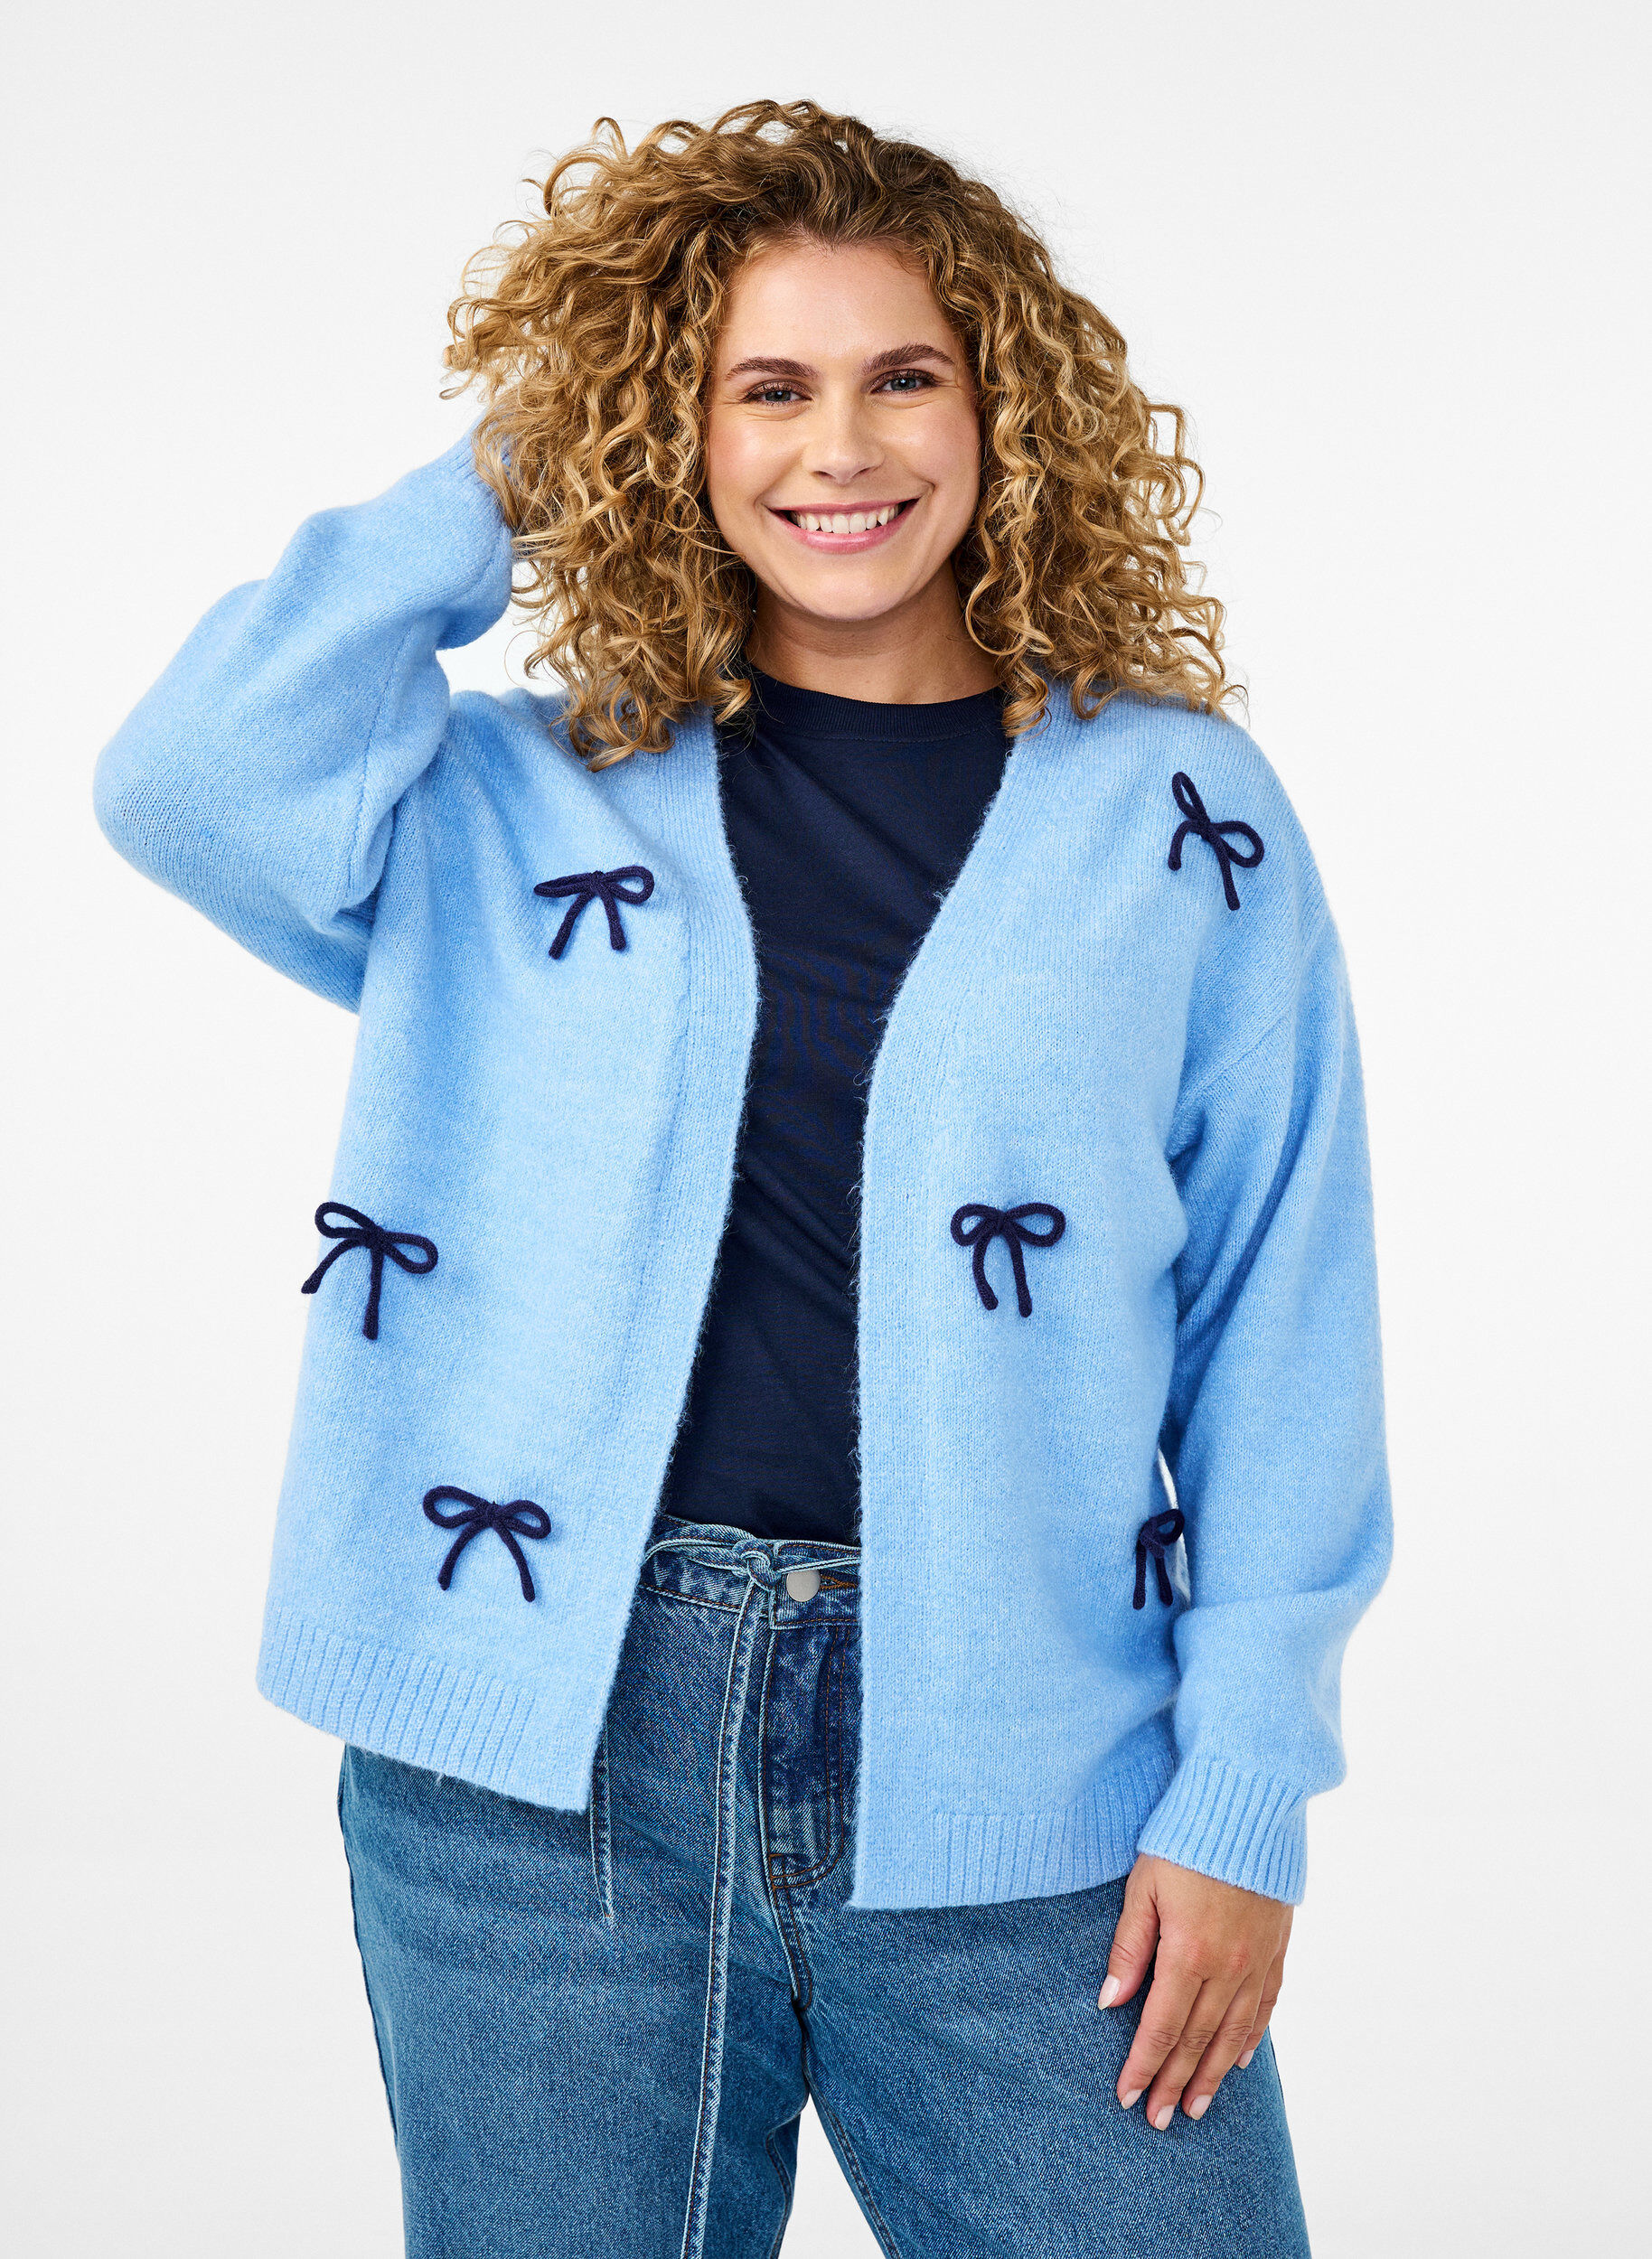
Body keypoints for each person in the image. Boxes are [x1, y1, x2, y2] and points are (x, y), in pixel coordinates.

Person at [94, 98, 1392, 2259]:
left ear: (1001, 408)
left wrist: (1244, 1782)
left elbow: (1281, 1310)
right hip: (536, 1773)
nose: (838, 446)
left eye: (903, 375)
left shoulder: (1178, 814)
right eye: (760, 388)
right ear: (666, 430)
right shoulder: (507, 802)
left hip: (1028, 1754)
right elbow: (188, 777)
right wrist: (515, 463)